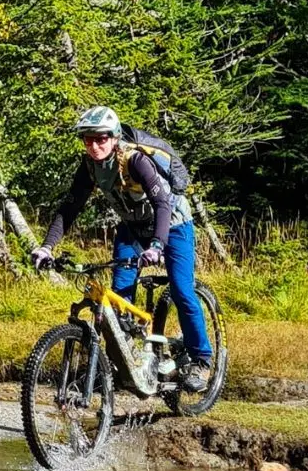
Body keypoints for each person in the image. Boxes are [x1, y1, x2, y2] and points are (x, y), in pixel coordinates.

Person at [29, 106, 213, 392]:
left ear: (114, 137)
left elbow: (163, 204)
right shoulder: (90, 166)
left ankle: (201, 359)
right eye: (88, 139)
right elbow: (69, 208)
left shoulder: (135, 160)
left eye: (101, 138)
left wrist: (156, 245)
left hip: (173, 225)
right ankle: (130, 362)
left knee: (181, 289)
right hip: (133, 227)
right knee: (118, 298)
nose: (94, 145)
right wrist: (47, 247)